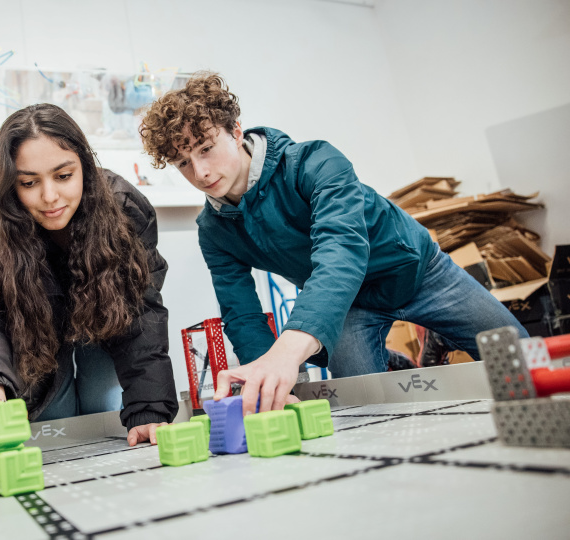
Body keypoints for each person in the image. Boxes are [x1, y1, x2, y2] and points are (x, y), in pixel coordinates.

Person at [139, 72, 526, 416]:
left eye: (205, 148)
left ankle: (439, 332)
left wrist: (288, 354)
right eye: (184, 163)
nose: (200, 172)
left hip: (418, 272)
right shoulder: (213, 229)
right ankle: (394, 365)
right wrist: (272, 384)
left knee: (519, 362)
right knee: (363, 407)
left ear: (236, 130)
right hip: (350, 305)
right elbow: (241, 312)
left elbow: (340, 255)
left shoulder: (315, 162)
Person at [0, 104, 178, 458]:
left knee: (107, 404)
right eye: (29, 183)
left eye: (63, 176)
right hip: (33, 338)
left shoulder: (124, 209)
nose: (49, 197)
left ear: (84, 167)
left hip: (103, 322)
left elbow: (140, 310)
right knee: (53, 423)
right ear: (9, 183)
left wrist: (150, 407)